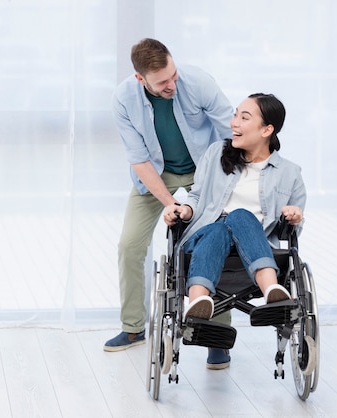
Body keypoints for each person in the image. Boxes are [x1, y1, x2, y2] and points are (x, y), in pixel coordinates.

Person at [104, 38, 234, 369]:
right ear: (140, 79)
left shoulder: (198, 82)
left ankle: (216, 337)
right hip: (154, 179)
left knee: (213, 241)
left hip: (203, 172)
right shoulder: (123, 99)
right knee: (129, 246)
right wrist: (168, 203)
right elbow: (139, 160)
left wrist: (220, 185)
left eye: (173, 75)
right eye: (162, 82)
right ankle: (133, 328)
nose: (171, 85)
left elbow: (230, 134)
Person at [162, 93, 306, 327]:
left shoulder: (289, 173)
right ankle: (197, 305)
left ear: (266, 130)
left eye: (244, 117)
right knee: (219, 228)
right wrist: (183, 210)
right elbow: (196, 196)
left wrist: (294, 216)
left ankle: (273, 292)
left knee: (240, 216)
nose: (234, 123)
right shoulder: (216, 154)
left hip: (254, 246)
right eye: (235, 114)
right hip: (205, 239)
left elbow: (292, 229)